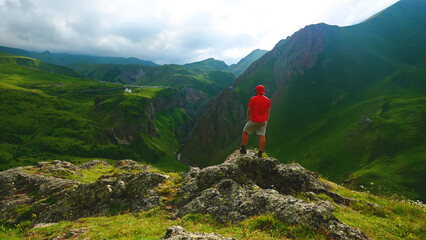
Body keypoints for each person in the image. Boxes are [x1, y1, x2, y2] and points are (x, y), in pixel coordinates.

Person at [240, 85, 271, 158]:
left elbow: (249, 110)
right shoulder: (267, 100)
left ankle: (243, 148)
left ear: (257, 91)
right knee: (262, 136)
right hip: (263, 121)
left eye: (255, 90)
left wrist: (248, 119)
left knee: (245, 131)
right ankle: (260, 153)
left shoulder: (253, 99)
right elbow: (268, 111)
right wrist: (266, 121)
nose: (255, 91)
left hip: (254, 120)